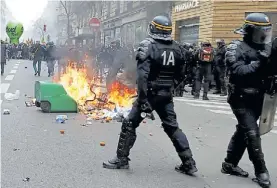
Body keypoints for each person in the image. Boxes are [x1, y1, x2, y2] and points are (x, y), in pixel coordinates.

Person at [103, 15, 198, 175]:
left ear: (153, 28)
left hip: (150, 94)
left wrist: (142, 99)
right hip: (166, 94)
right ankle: (188, 163)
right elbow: (183, 73)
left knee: (129, 123)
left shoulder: (148, 46)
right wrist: (171, 86)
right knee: (172, 127)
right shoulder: (177, 47)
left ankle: (121, 159)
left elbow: (142, 77)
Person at [222, 13, 272, 188]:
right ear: (250, 31)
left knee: (243, 131)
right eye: (260, 31)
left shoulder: (267, 47)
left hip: (260, 98)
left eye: (266, 31)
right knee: (251, 132)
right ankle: (261, 171)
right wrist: (260, 62)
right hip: (240, 97)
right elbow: (237, 71)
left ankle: (229, 163)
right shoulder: (235, 47)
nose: (263, 35)